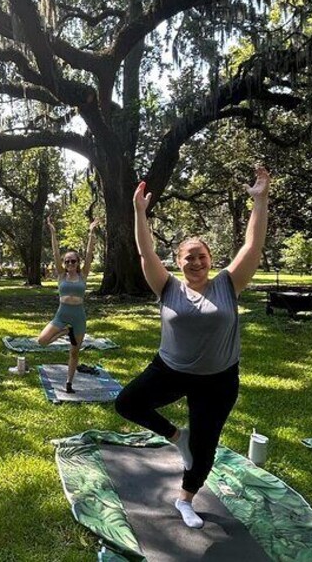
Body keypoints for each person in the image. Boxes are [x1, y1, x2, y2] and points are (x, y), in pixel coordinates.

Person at [114, 168, 270, 529]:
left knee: (206, 446)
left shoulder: (228, 284)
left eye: (202, 256)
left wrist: (259, 200)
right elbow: (145, 250)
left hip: (218, 380)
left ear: (210, 259)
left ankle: (186, 499)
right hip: (169, 370)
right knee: (127, 403)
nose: (196, 263)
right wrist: (139, 213)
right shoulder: (167, 286)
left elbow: (252, 246)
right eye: (189, 258)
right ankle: (176, 437)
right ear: (178, 262)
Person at [36, 216, 100, 393]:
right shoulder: (61, 276)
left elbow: (89, 254)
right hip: (62, 314)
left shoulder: (83, 275)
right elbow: (56, 253)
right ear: (64, 264)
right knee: (42, 341)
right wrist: (53, 232)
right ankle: (66, 331)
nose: (70, 263)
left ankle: (69, 383)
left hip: (78, 316)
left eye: (73, 261)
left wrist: (91, 232)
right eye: (67, 261)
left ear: (78, 263)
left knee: (74, 352)